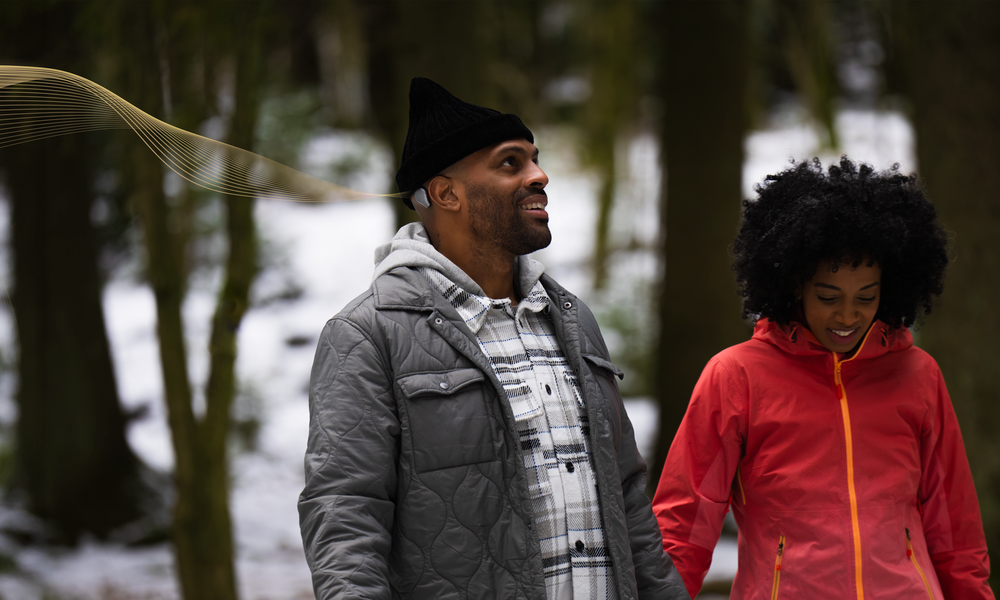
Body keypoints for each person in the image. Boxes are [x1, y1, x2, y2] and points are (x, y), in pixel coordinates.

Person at [299, 77, 688, 600]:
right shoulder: (367, 335)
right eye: (511, 163)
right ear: (446, 193)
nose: (540, 175)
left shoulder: (572, 319)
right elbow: (345, 514)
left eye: (534, 158)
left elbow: (627, 500)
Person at [653, 157, 994, 599]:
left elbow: (955, 528)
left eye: (866, 297)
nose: (848, 315)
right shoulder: (736, 375)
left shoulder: (918, 374)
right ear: (795, 283)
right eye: (828, 296)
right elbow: (686, 522)